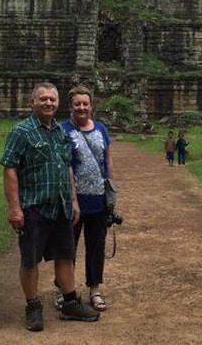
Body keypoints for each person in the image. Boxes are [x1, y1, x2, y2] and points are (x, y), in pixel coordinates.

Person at [0, 82, 100, 332]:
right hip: (33, 206)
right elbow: (10, 168)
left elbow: (67, 168)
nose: (48, 103)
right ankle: (33, 305)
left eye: (52, 100)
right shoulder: (21, 132)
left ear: (57, 104)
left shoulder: (59, 132)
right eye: (43, 99)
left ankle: (69, 302)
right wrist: (14, 208)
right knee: (30, 259)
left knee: (65, 255)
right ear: (32, 102)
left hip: (61, 206)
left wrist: (74, 201)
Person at [60, 85, 114, 312]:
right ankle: (66, 292)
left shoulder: (101, 128)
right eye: (77, 104)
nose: (81, 107)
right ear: (70, 106)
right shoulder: (62, 130)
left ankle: (95, 289)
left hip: (98, 200)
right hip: (73, 201)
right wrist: (72, 200)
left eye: (85, 103)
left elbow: (107, 162)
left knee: (96, 246)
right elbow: (66, 166)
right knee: (67, 248)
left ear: (91, 105)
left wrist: (112, 193)